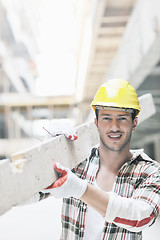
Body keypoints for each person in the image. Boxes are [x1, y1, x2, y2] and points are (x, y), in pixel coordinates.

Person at [41, 79, 160, 240]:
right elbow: (26, 194)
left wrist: (80, 189)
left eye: (122, 118)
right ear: (96, 122)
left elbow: (141, 217)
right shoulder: (79, 163)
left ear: (134, 123)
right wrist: (47, 154)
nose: (114, 127)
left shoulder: (150, 172)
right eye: (107, 118)